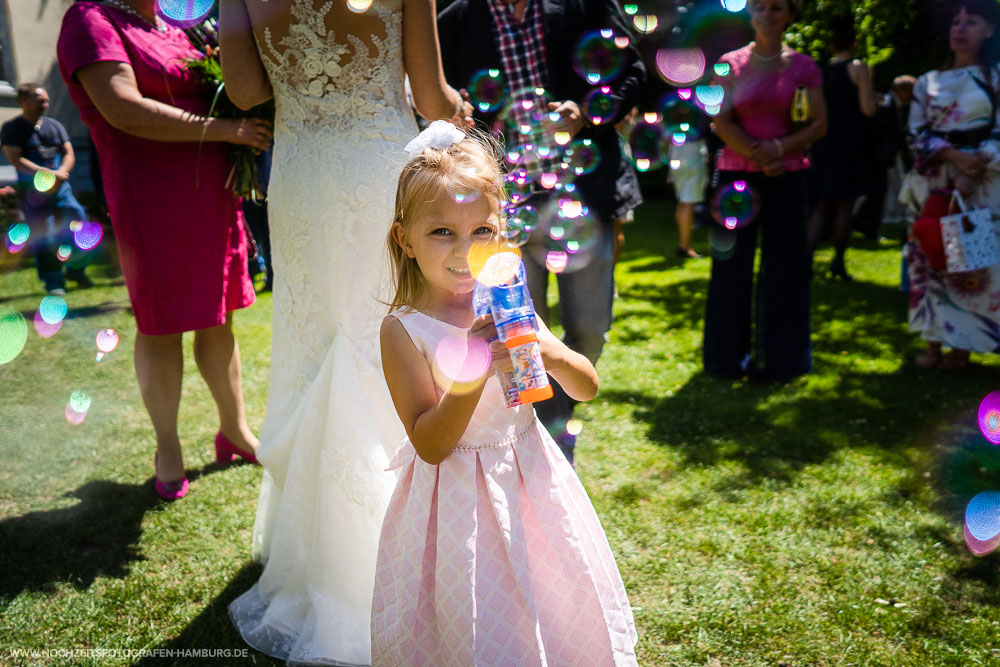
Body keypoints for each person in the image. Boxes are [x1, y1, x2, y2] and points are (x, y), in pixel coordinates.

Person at [217, 0, 473, 662]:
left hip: (303, 177)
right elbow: (428, 95)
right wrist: (458, 107)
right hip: (376, 173)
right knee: (387, 342)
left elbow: (245, 90)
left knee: (320, 345)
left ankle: (320, 565)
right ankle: (403, 565)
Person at [371, 123, 637, 665]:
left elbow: (585, 386)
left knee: (547, 603)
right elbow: (429, 443)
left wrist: (548, 347)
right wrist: (472, 371)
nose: (464, 251)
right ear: (406, 238)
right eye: (442, 231)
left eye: (482, 232)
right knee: (472, 616)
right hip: (454, 503)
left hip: (530, 479)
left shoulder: (509, 302)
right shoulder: (404, 329)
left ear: (502, 232)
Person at [57, 0, 268, 501]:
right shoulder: (90, 19)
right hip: (151, 199)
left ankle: (234, 429)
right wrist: (224, 130)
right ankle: (167, 448)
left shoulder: (175, 25)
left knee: (220, 317)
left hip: (213, 192)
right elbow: (122, 107)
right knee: (161, 324)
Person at [437, 0, 646, 463]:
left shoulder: (581, 7)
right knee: (517, 335)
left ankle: (558, 413)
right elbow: (433, 97)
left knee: (589, 329)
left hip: (581, 200)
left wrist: (587, 110)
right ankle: (546, 441)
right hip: (499, 210)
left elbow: (633, 72)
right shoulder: (455, 21)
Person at [703, 0, 827, 380]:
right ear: (749, 13)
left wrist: (777, 151)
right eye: (759, 6)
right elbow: (718, 119)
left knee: (786, 269)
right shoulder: (730, 62)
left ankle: (784, 362)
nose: (767, 14)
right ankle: (725, 361)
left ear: (790, 15)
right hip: (737, 179)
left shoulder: (805, 66)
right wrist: (760, 153)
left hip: (786, 177)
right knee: (731, 271)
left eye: (776, 7)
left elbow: (819, 123)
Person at [900, 0, 1000, 370]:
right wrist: (953, 158)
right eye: (956, 21)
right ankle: (932, 345)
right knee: (931, 258)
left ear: (988, 30)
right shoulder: (929, 81)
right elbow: (915, 133)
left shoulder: (996, 78)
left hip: (979, 184)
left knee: (968, 265)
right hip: (936, 183)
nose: (960, 28)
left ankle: (963, 347)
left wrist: (976, 163)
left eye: (971, 21)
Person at [1, 83, 92, 295]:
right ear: (24, 101)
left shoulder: (54, 125)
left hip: (61, 189)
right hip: (35, 194)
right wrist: (48, 174)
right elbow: (16, 159)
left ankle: (76, 270)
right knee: (44, 236)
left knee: (81, 225)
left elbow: (68, 152)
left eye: (47, 100)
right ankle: (54, 282)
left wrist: (61, 172)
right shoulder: (12, 129)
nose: (46, 104)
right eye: (40, 100)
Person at [806, 13, 877, 281]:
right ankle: (838, 262)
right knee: (844, 204)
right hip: (849, 141)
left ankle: (807, 259)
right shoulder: (858, 68)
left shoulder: (822, 72)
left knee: (822, 205)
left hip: (825, 139)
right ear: (854, 43)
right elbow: (868, 108)